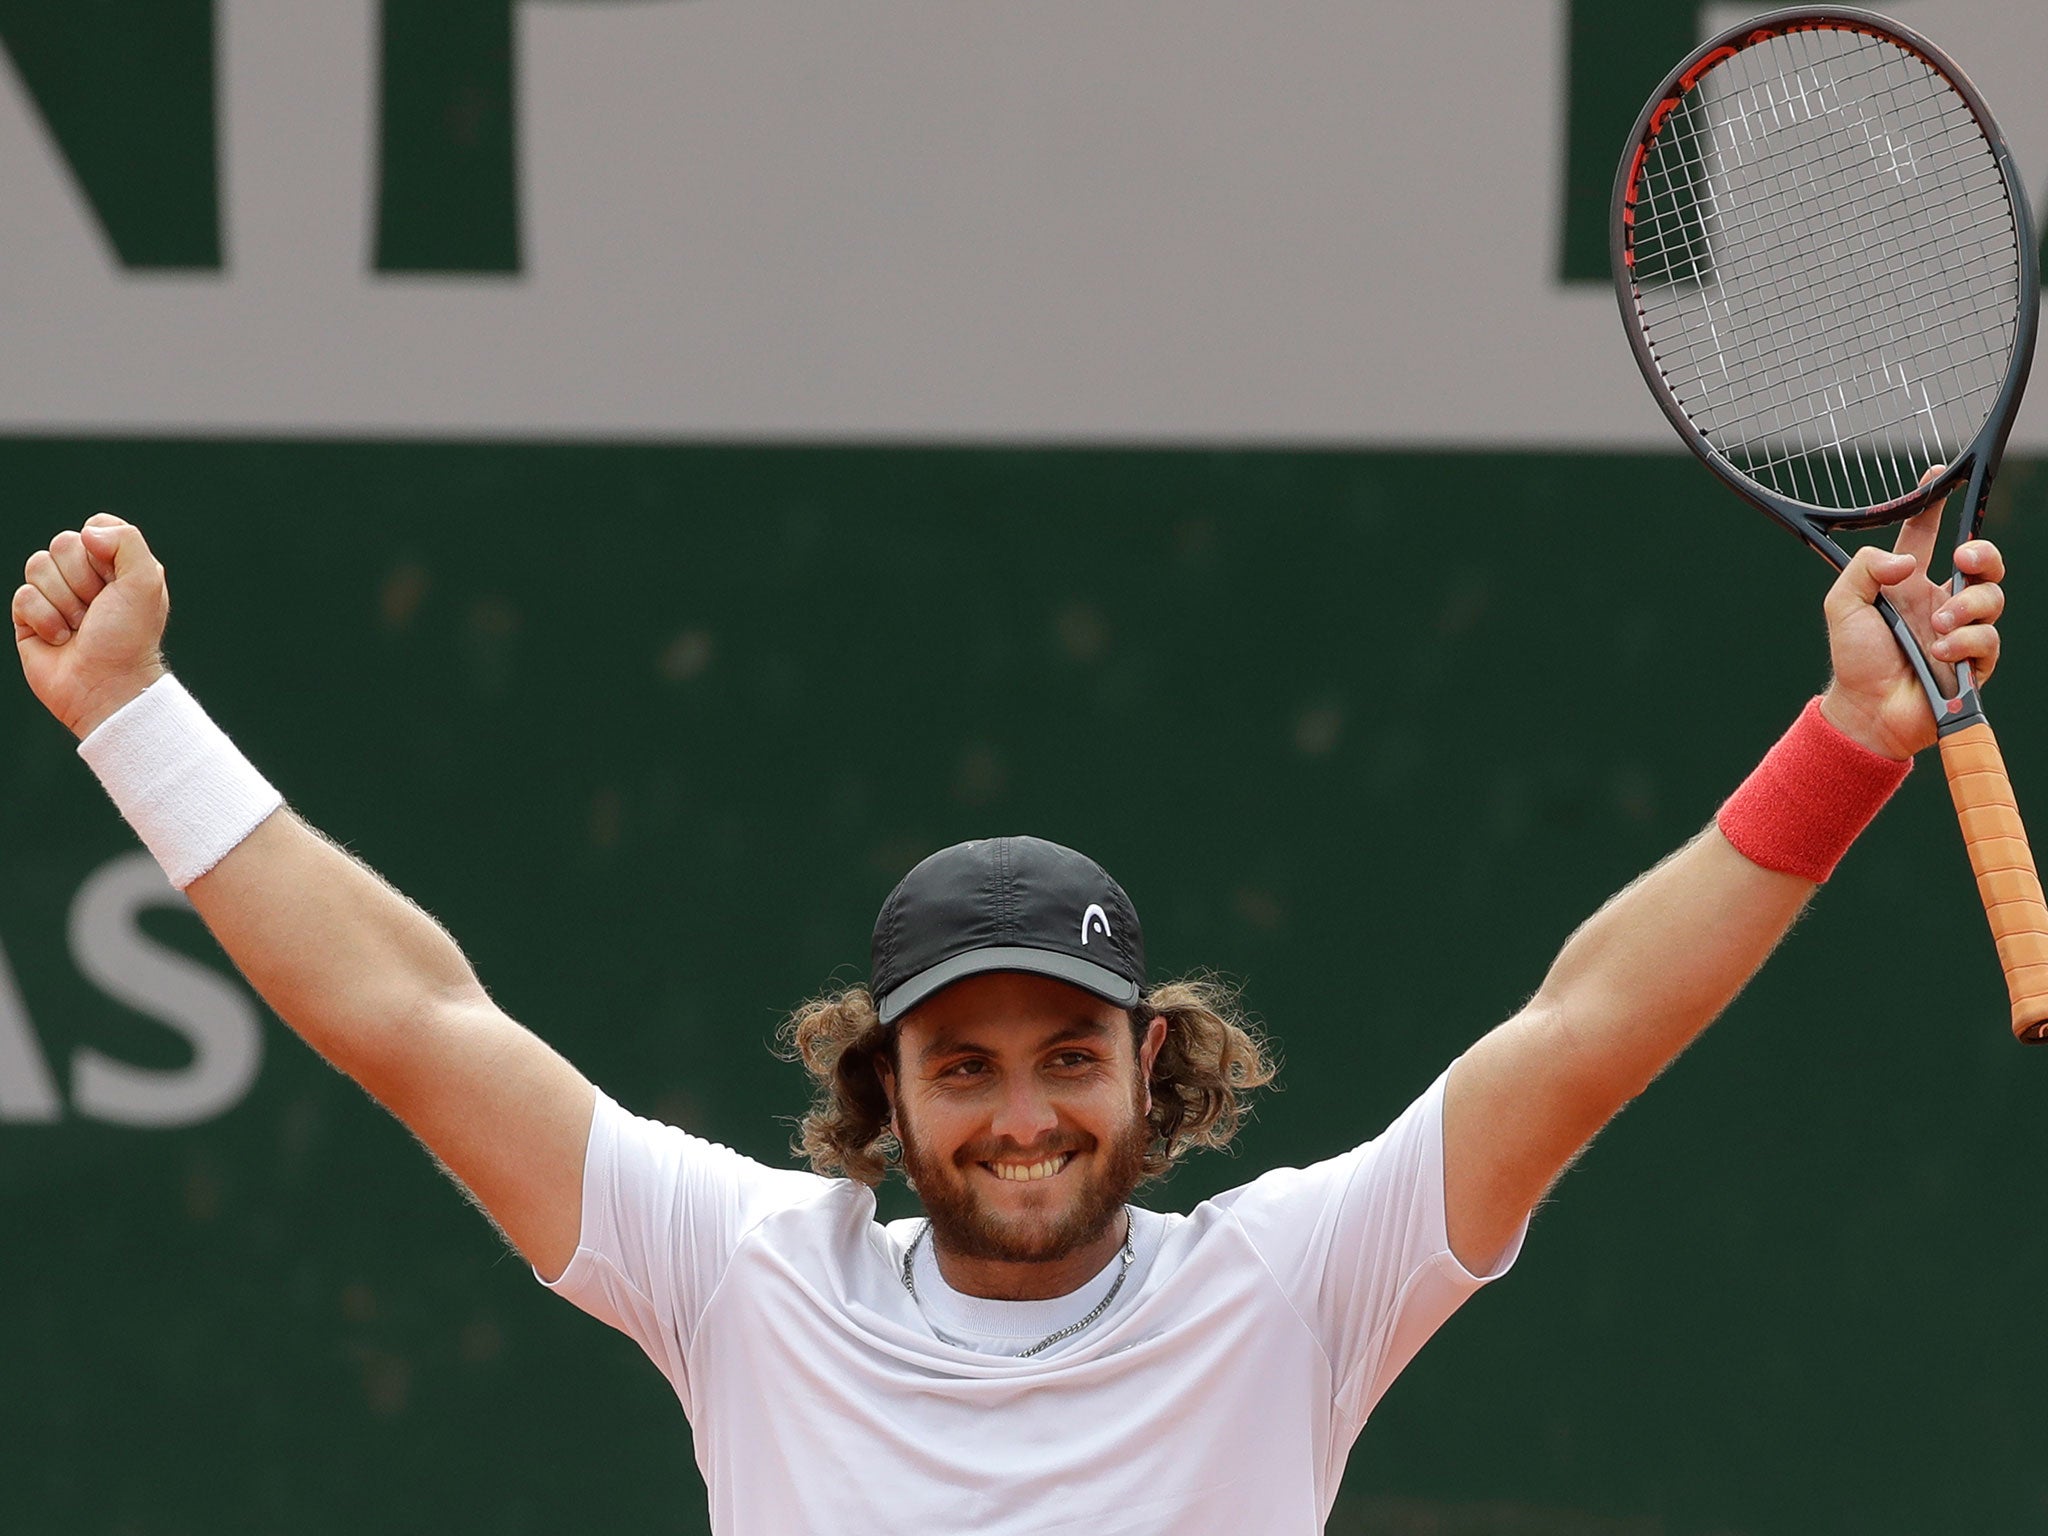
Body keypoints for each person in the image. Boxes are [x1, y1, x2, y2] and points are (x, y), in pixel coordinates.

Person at [12, 503, 2009, 1535]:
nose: (1023, 1113)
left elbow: (1584, 1032)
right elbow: (407, 1018)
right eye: (962, 1068)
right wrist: (135, 718)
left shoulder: (1293, 1288)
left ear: (1155, 1071)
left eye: (1068, 1056)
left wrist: (1842, 743)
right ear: (884, 1096)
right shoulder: (745, 1283)